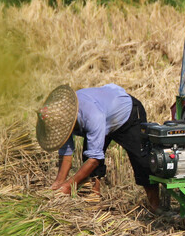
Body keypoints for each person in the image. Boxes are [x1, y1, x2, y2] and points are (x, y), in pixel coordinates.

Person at [36, 83, 160, 212]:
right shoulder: (60, 119)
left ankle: (156, 208)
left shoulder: (91, 115)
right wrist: (58, 183)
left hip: (127, 114)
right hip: (104, 113)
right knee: (87, 157)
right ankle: (94, 202)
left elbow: (94, 159)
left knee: (142, 161)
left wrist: (69, 186)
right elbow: (66, 153)